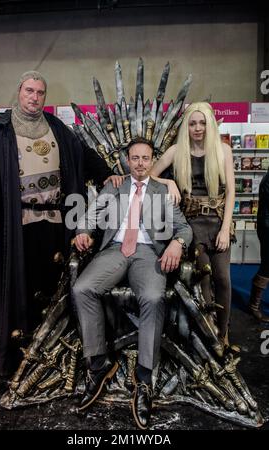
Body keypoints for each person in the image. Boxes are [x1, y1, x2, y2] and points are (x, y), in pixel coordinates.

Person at [0, 71, 121, 376]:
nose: (34, 97)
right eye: (29, 90)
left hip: (53, 223)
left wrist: (106, 172)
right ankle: (16, 355)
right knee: (18, 288)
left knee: (50, 286)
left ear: (44, 97)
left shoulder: (56, 129)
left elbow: (82, 154)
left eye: (40, 92)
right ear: (19, 92)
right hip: (14, 224)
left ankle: (48, 353)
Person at [72, 137, 192, 429]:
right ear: (127, 160)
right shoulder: (113, 186)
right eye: (134, 158)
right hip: (114, 251)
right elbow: (90, 214)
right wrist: (84, 231)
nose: (140, 164)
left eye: (145, 158)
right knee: (82, 288)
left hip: (148, 254)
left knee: (153, 296)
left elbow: (185, 228)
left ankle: (144, 379)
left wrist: (177, 243)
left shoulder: (163, 190)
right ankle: (98, 365)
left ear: (153, 160)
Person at [150, 102, 235, 349]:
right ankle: (210, 330)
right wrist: (169, 184)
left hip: (218, 222)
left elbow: (231, 192)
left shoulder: (223, 151)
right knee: (204, 279)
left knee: (223, 278)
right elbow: (149, 175)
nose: (197, 128)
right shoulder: (177, 151)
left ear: (210, 124)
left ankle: (224, 330)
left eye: (202, 123)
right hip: (192, 225)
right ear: (186, 126)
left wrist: (225, 227)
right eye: (192, 123)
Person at [248, 168, 269, 322]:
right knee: (267, 267)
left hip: (266, 225)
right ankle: (254, 306)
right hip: (268, 228)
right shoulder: (268, 180)